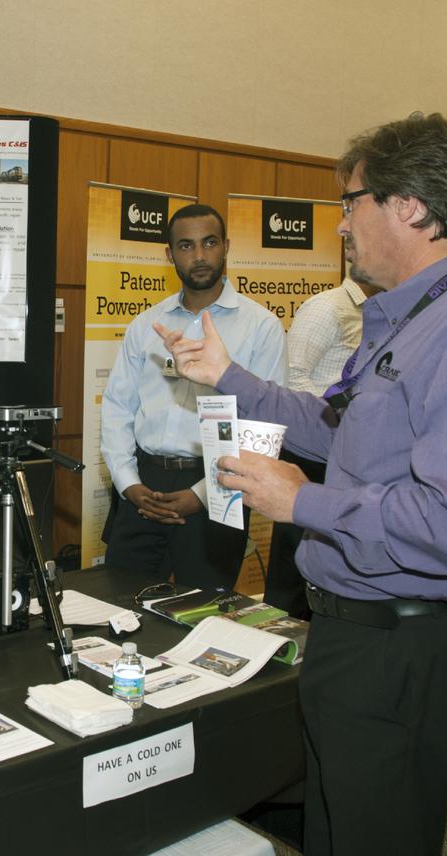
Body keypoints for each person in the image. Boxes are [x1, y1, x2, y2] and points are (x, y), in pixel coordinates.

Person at [161, 113, 447, 855]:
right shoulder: (415, 321)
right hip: (362, 639)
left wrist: (299, 501)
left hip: (408, 651)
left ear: (408, 205)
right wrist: (227, 378)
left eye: (351, 202)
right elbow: (342, 430)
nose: (340, 225)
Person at [101, 203, 286, 589]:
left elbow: (263, 429)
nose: (199, 256)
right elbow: (118, 408)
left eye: (209, 243)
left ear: (226, 246)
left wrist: (204, 494)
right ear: (169, 254)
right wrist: (128, 483)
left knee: (205, 621)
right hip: (143, 487)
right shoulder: (147, 324)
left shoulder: (262, 327)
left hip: (219, 485)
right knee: (118, 606)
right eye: (186, 246)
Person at [265, 269, 381, 616]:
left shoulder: (384, 311)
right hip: (313, 449)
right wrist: (341, 419)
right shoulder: (326, 307)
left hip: (352, 456)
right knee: (294, 562)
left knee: (335, 554)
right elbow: (294, 376)